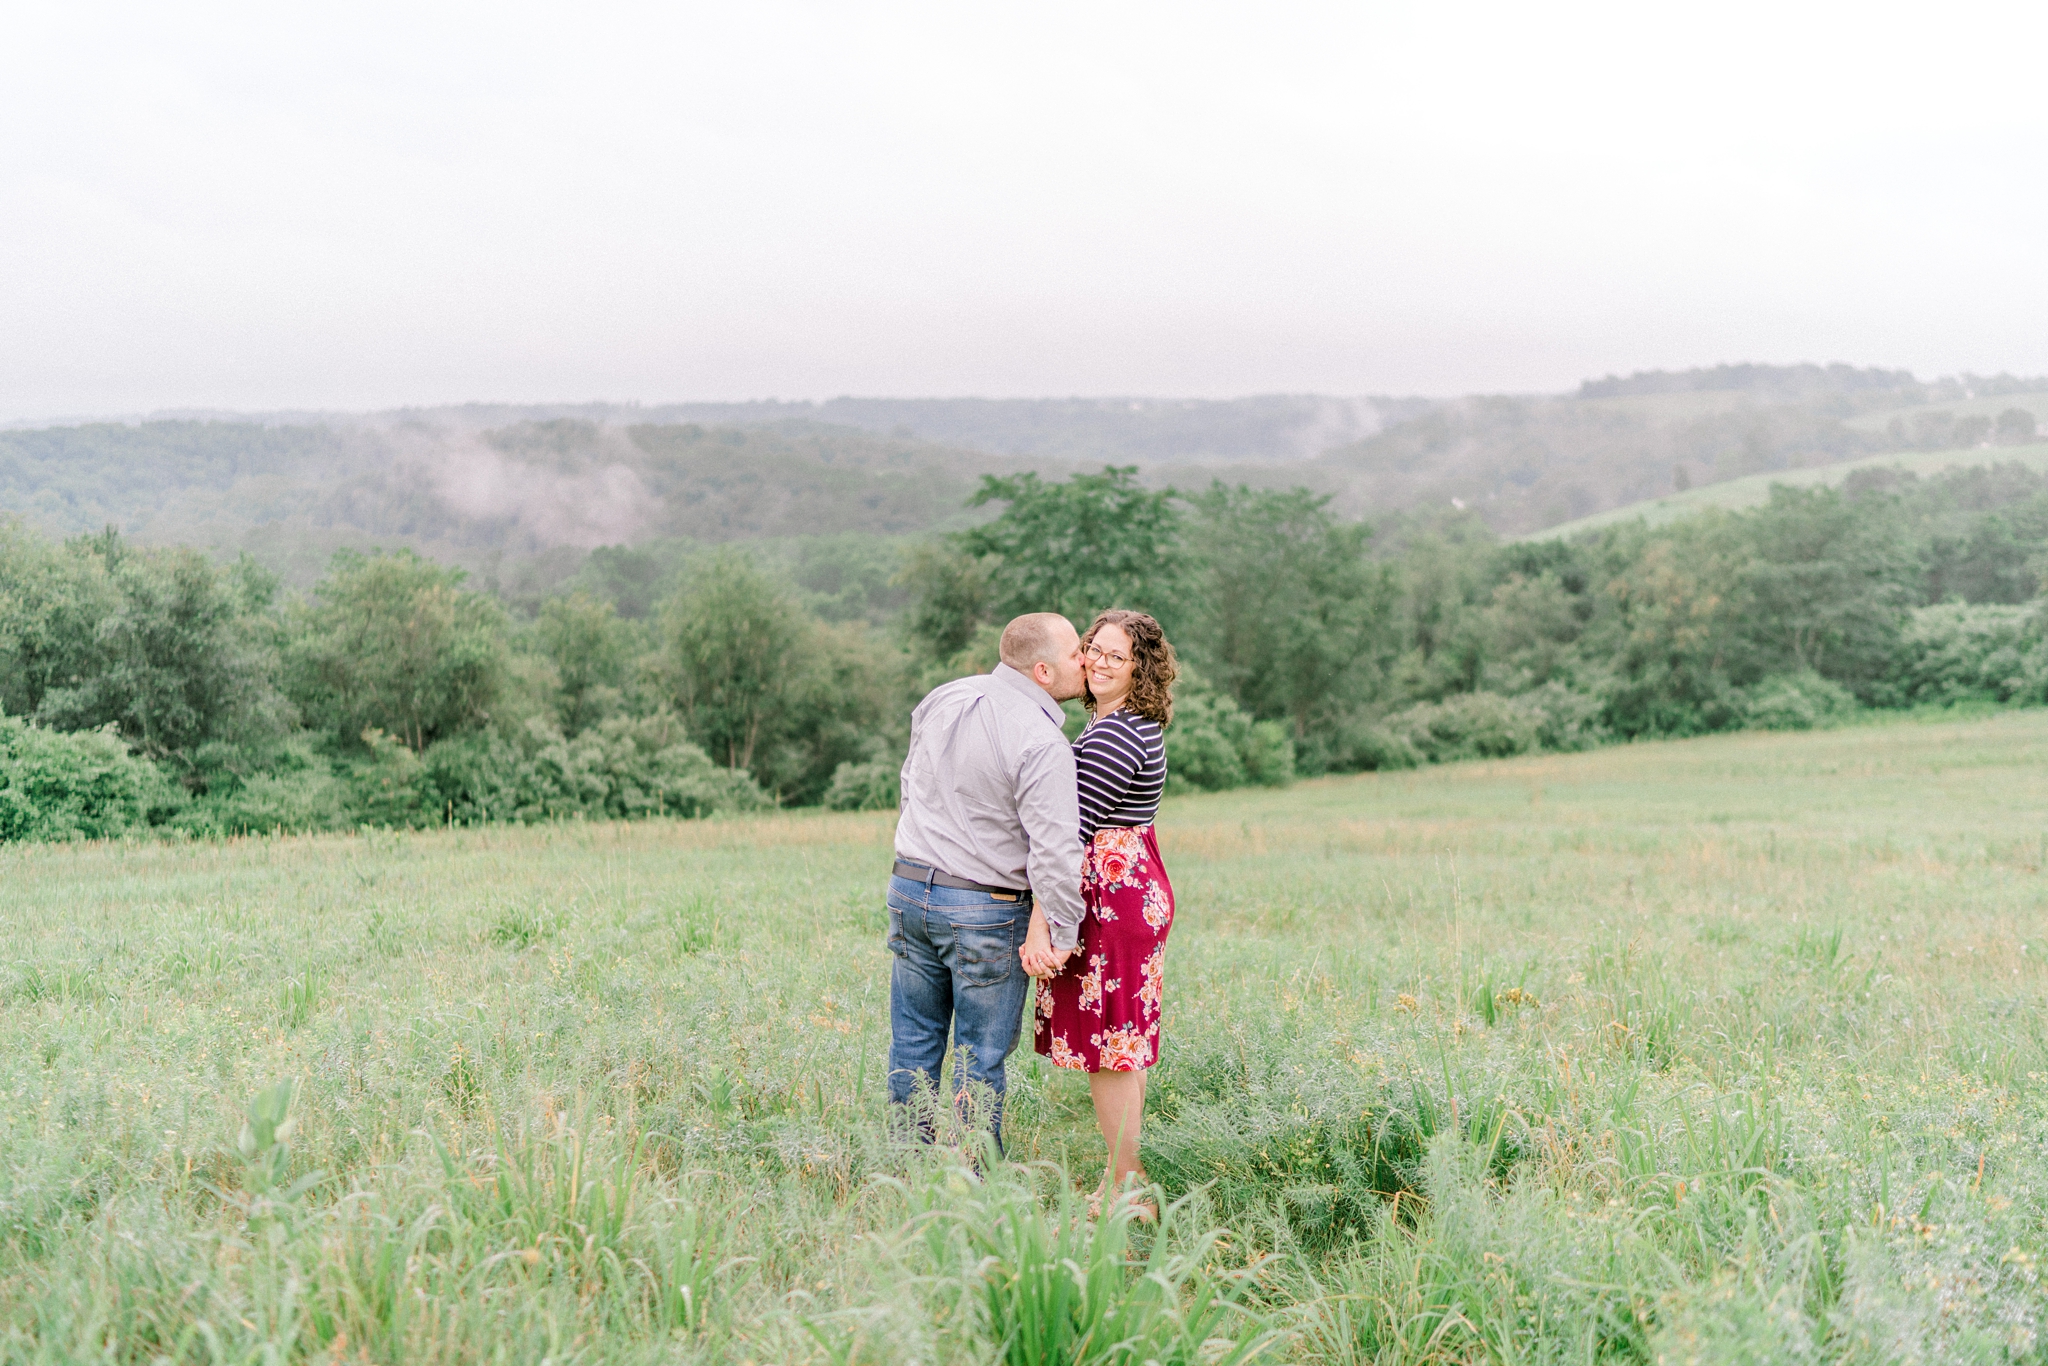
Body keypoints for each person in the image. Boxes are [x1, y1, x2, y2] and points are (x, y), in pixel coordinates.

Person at [887, 612, 1088, 1149]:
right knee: (981, 1057)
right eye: (1076, 654)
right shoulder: (1042, 742)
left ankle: (909, 1169)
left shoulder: (943, 696)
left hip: (909, 888)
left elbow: (910, 783)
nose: (1086, 661)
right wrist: (1063, 935)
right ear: (1043, 671)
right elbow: (1054, 851)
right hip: (985, 907)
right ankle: (974, 1181)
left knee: (913, 1040)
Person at [1026, 608, 1176, 1216]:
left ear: (1139, 669)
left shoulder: (1118, 733)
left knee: (1111, 1047)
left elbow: (1074, 830)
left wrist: (1044, 920)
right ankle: (1125, 1178)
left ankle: (1127, 1187)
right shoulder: (1123, 724)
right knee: (1123, 1040)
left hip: (1110, 897)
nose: (1102, 662)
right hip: (1127, 887)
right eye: (1095, 649)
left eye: (1119, 655)